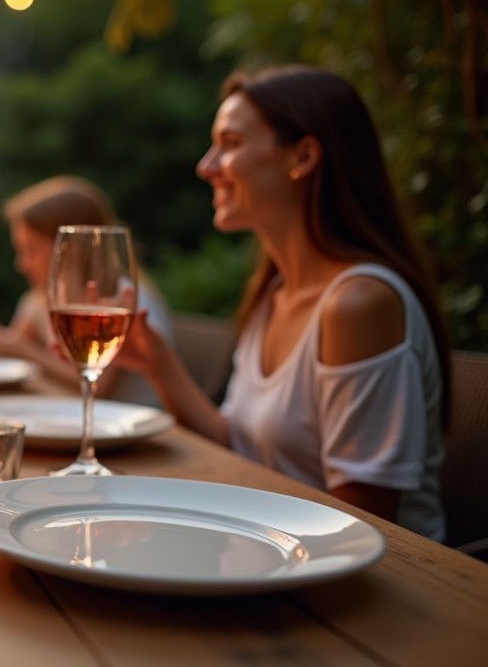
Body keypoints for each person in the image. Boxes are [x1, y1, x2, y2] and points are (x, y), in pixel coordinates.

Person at [118, 65, 450, 540]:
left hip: (367, 593)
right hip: (268, 555)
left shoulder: (359, 304)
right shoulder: (274, 295)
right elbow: (239, 447)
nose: (206, 166)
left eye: (230, 143)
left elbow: (364, 521)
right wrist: (158, 364)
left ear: (304, 156)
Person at [0, 175, 174, 406]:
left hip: (135, 429)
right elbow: (14, 346)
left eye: (31, 250)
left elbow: (101, 385)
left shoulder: (124, 301)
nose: (21, 264)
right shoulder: (43, 298)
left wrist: (20, 349)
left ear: (72, 249)